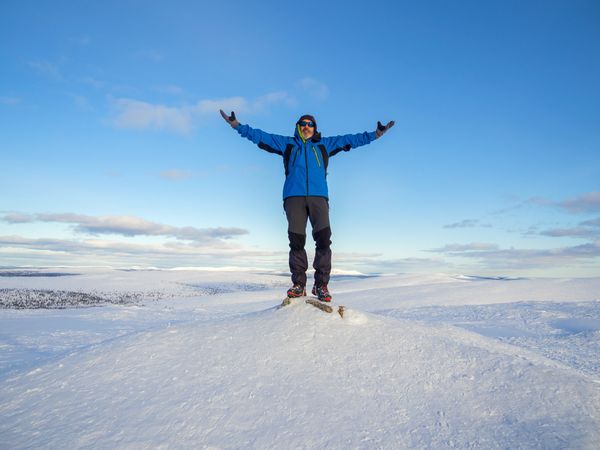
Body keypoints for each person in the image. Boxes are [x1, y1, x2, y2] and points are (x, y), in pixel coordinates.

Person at [220, 109, 394, 302]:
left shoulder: (324, 145)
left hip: (319, 197)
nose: (306, 127)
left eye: (310, 124)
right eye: (303, 124)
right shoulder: (288, 144)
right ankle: (299, 285)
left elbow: (351, 140)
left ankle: (321, 286)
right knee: (296, 241)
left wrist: (376, 134)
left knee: (323, 239)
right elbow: (261, 136)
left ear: (315, 128)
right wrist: (236, 125)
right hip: (293, 197)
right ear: (298, 127)